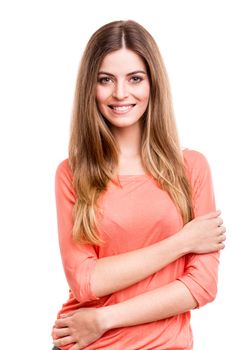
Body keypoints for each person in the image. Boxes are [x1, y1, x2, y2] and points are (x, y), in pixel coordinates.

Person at [51, 20, 226, 350]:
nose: (120, 93)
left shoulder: (191, 168)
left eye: (135, 78)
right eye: (106, 80)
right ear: (90, 87)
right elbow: (87, 282)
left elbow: (202, 286)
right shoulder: (72, 173)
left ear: (152, 84)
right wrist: (183, 242)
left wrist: (104, 319)